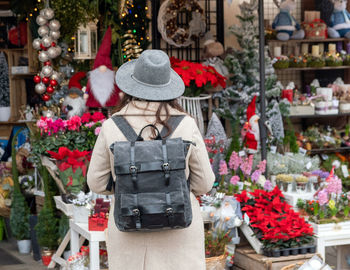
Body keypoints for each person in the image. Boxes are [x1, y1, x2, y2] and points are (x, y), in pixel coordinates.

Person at [87, 49, 215, 270]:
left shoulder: (111, 126)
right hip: (179, 235)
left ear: (131, 86)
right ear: (168, 87)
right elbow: (204, 183)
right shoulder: (186, 124)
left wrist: (130, 187)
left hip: (130, 231)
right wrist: (173, 187)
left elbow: (96, 182)